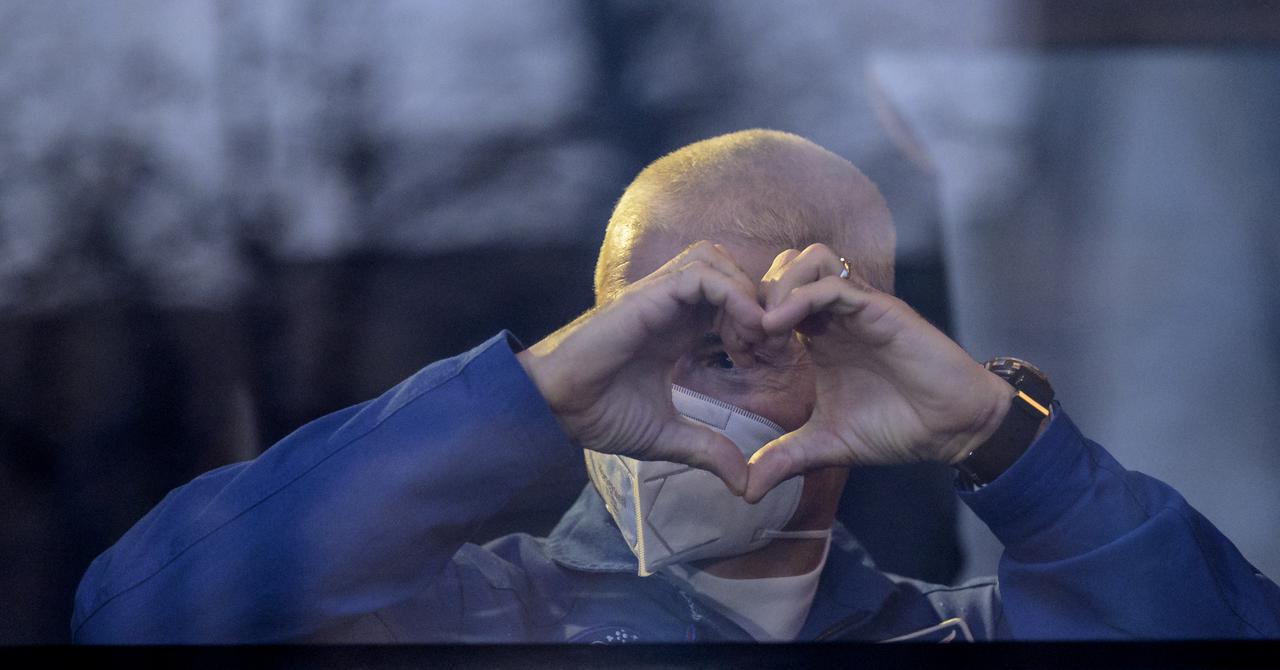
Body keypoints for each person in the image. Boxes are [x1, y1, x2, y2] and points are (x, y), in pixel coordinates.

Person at [72, 129, 1280, 643]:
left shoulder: (967, 635)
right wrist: (525, 401)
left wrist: (1000, 442)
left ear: (851, 359)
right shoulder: (449, 620)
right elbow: (133, 618)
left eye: (717, 343)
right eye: (622, 332)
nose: (648, 388)